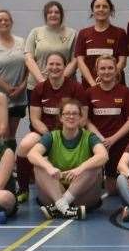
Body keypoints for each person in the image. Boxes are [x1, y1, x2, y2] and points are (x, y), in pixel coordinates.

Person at [21, 51, 89, 198]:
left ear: (65, 67)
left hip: (69, 132)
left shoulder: (76, 88)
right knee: (25, 144)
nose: (54, 67)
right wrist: (49, 135)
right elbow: (35, 119)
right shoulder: (39, 89)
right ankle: (23, 189)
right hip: (45, 133)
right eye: (51, 64)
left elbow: (83, 119)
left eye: (58, 64)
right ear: (46, 67)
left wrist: (63, 133)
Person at [27, 99, 108, 220]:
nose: (71, 116)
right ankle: (65, 208)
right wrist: (50, 168)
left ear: (81, 118)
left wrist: (79, 169)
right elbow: (31, 154)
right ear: (60, 117)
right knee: (39, 164)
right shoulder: (52, 136)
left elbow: (103, 155)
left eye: (75, 113)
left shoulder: (89, 137)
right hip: (55, 191)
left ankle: (59, 206)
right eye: (67, 113)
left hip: (82, 193)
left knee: (94, 165)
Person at [86, 54, 129, 191]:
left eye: (110, 68)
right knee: (92, 188)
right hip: (96, 142)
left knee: (113, 190)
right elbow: (86, 119)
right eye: (102, 68)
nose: (106, 71)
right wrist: (100, 140)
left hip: (119, 142)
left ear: (116, 70)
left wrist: (112, 139)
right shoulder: (90, 92)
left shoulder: (125, 92)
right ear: (97, 70)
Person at [0, 9, 28, 148]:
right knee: (2, 133)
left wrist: (22, 87)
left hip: (19, 97)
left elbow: (28, 68)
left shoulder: (21, 42)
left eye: (6, 20)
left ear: (11, 22)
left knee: (11, 134)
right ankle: (1, 164)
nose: (3, 22)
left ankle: (10, 163)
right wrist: (7, 88)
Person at [74, 0, 129, 88]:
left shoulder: (120, 33)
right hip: (90, 86)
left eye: (105, 6)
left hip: (114, 85)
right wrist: (93, 84)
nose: (101, 9)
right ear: (92, 11)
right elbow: (80, 62)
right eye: (97, 6)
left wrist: (108, 80)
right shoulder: (83, 33)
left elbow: (122, 61)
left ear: (110, 10)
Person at [24, 0, 77, 96]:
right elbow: (28, 59)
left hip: (65, 86)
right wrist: (42, 81)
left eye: (57, 12)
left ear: (61, 15)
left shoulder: (72, 33)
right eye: (50, 12)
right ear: (45, 15)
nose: (53, 15)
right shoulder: (35, 32)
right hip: (37, 85)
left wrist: (60, 80)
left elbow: (75, 60)